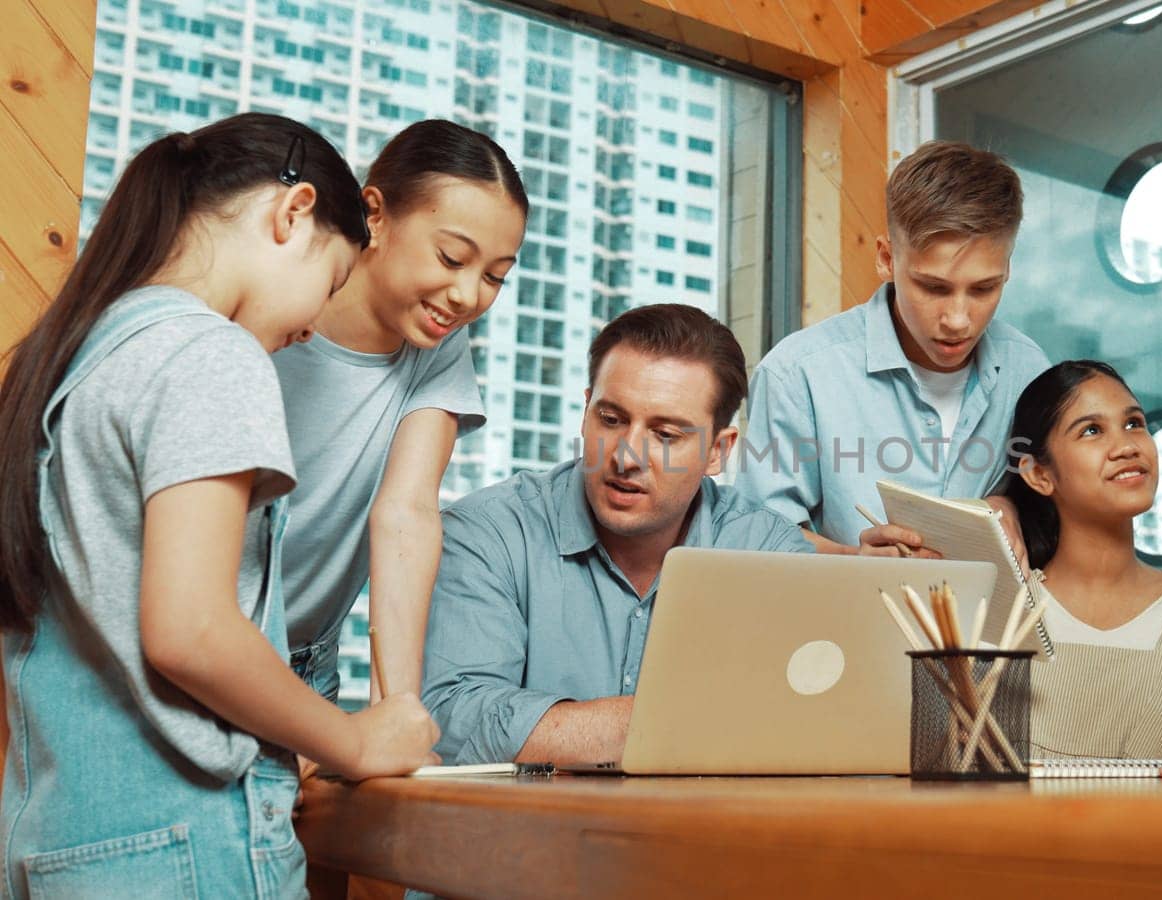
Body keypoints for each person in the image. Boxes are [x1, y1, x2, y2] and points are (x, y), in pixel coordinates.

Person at [0, 114, 438, 899]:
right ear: (292, 212)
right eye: (331, 282)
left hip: (57, 843)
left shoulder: (74, 355)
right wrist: (352, 742)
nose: (311, 326)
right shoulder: (212, 353)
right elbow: (191, 630)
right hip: (188, 850)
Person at [421, 304, 812, 765]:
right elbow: (453, 719)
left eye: (666, 435)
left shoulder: (772, 556)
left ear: (717, 452)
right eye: (610, 419)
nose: (627, 456)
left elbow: (800, 726)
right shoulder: (487, 533)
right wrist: (684, 724)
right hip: (524, 833)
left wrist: (562, 732)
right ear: (585, 410)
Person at [273, 120, 526, 703]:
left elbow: (406, 514)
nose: (467, 295)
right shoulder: (275, 303)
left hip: (305, 661)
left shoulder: (438, 345)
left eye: (494, 277)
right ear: (375, 214)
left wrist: (398, 707)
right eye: (451, 257)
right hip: (206, 641)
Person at [738, 140, 1050, 557]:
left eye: (984, 288)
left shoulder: (1029, 369)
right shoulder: (797, 374)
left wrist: (1010, 504)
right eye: (933, 287)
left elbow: (1057, 506)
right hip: (849, 619)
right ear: (886, 258)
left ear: (1007, 267)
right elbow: (758, 540)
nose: (958, 319)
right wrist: (855, 562)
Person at [999, 361, 1162, 759]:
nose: (1128, 446)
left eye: (1134, 423)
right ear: (1039, 474)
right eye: (1092, 430)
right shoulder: (1003, 612)